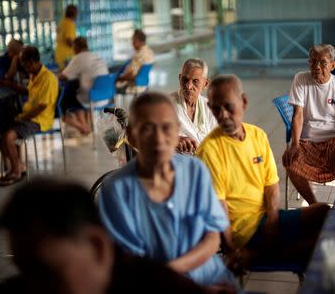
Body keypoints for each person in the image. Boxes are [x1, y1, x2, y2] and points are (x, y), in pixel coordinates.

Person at [0, 178, 235, 294]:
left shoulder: (156, 284)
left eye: (47, 272)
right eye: (25, 270)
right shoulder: (28, 286)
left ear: (97, 246)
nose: (34, 286)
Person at [97, 92, 240, 291]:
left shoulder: (195, 171)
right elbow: (133, 265)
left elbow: (212, 236)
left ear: (177, 132)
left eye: (166, 128)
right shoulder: (117, 190)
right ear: (131, 136)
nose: (158, 138)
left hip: (209, 275)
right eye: (147, 128)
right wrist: (179, 279)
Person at [196, 74, 330, 272]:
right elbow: (218, 208)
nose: (223, 115)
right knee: (317, 246)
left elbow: (271, 183)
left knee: (324, 212)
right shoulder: (209, 150)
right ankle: (251, 256)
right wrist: (230, 249)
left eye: (228, 106)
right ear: (209, 109)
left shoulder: (257, 135)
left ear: (243, 102)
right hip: (244, 230)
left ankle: (256, 257)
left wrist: (273, 219)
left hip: (266, 218)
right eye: (216, 109)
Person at [282, 44, 335, 205]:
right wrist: (294, 144)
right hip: (309, 142)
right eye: (313, 62)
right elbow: (298, 115)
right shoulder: (300, 79)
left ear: (332, 65)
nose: (316, 67)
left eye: (322, 62)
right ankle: (315, 205)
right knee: (289, 159)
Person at [0, 46, 58, 186]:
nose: (24, 68)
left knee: (8, 136)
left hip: (39, 120)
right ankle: (18, 163)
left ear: (32, 62)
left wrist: (20, 118)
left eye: (25, 65)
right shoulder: (34, 75)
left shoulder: (48, 78)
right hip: (26, 115)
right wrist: (12, 85)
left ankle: (16, 171)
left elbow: (41, 107)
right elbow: (28, 92)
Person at [59, 37, 108, 135]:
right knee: (77, 89)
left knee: (69, 91)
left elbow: (62, 77)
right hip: (105, 96)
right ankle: (86, 127)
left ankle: (83, 127)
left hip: (90, 98)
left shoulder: (78, 57)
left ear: (75, 48)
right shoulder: (96, 56)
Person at [170, 58, 217, 154]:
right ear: (179, 78)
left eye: (195, 81)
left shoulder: (211, 108)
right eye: (185, 80)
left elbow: (218, 140)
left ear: (205, 84)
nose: (188, 86)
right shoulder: (166, 105)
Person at [116, 29, 154, 94]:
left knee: (110, 86)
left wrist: (118, 78)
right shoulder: (149, 51)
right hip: (143, 84)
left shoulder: (140, 55)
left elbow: (131, 76)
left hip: (134, 87)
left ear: (140, 41)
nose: (132, 44)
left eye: (134, 41)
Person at [55, 5, 78, 70]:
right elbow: (69, 40)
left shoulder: (62, 22)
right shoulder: (69, 23)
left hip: (59, 55)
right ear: (74, 13)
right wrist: (78, 49)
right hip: (67, 56)